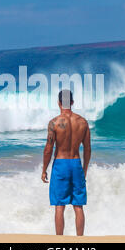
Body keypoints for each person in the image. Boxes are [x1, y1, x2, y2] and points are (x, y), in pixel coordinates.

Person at [41, 90, 91, 236]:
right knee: (78, 206)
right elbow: (87, 149)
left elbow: (48, 149)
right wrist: (84, 170)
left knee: (59, 205)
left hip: (60, 164)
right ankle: (80, 240)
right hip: (76, 164)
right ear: (73, 102)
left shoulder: (54, 123)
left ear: (58, 102)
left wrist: (44, 169)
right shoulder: (82, 122)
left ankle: (59, 241)